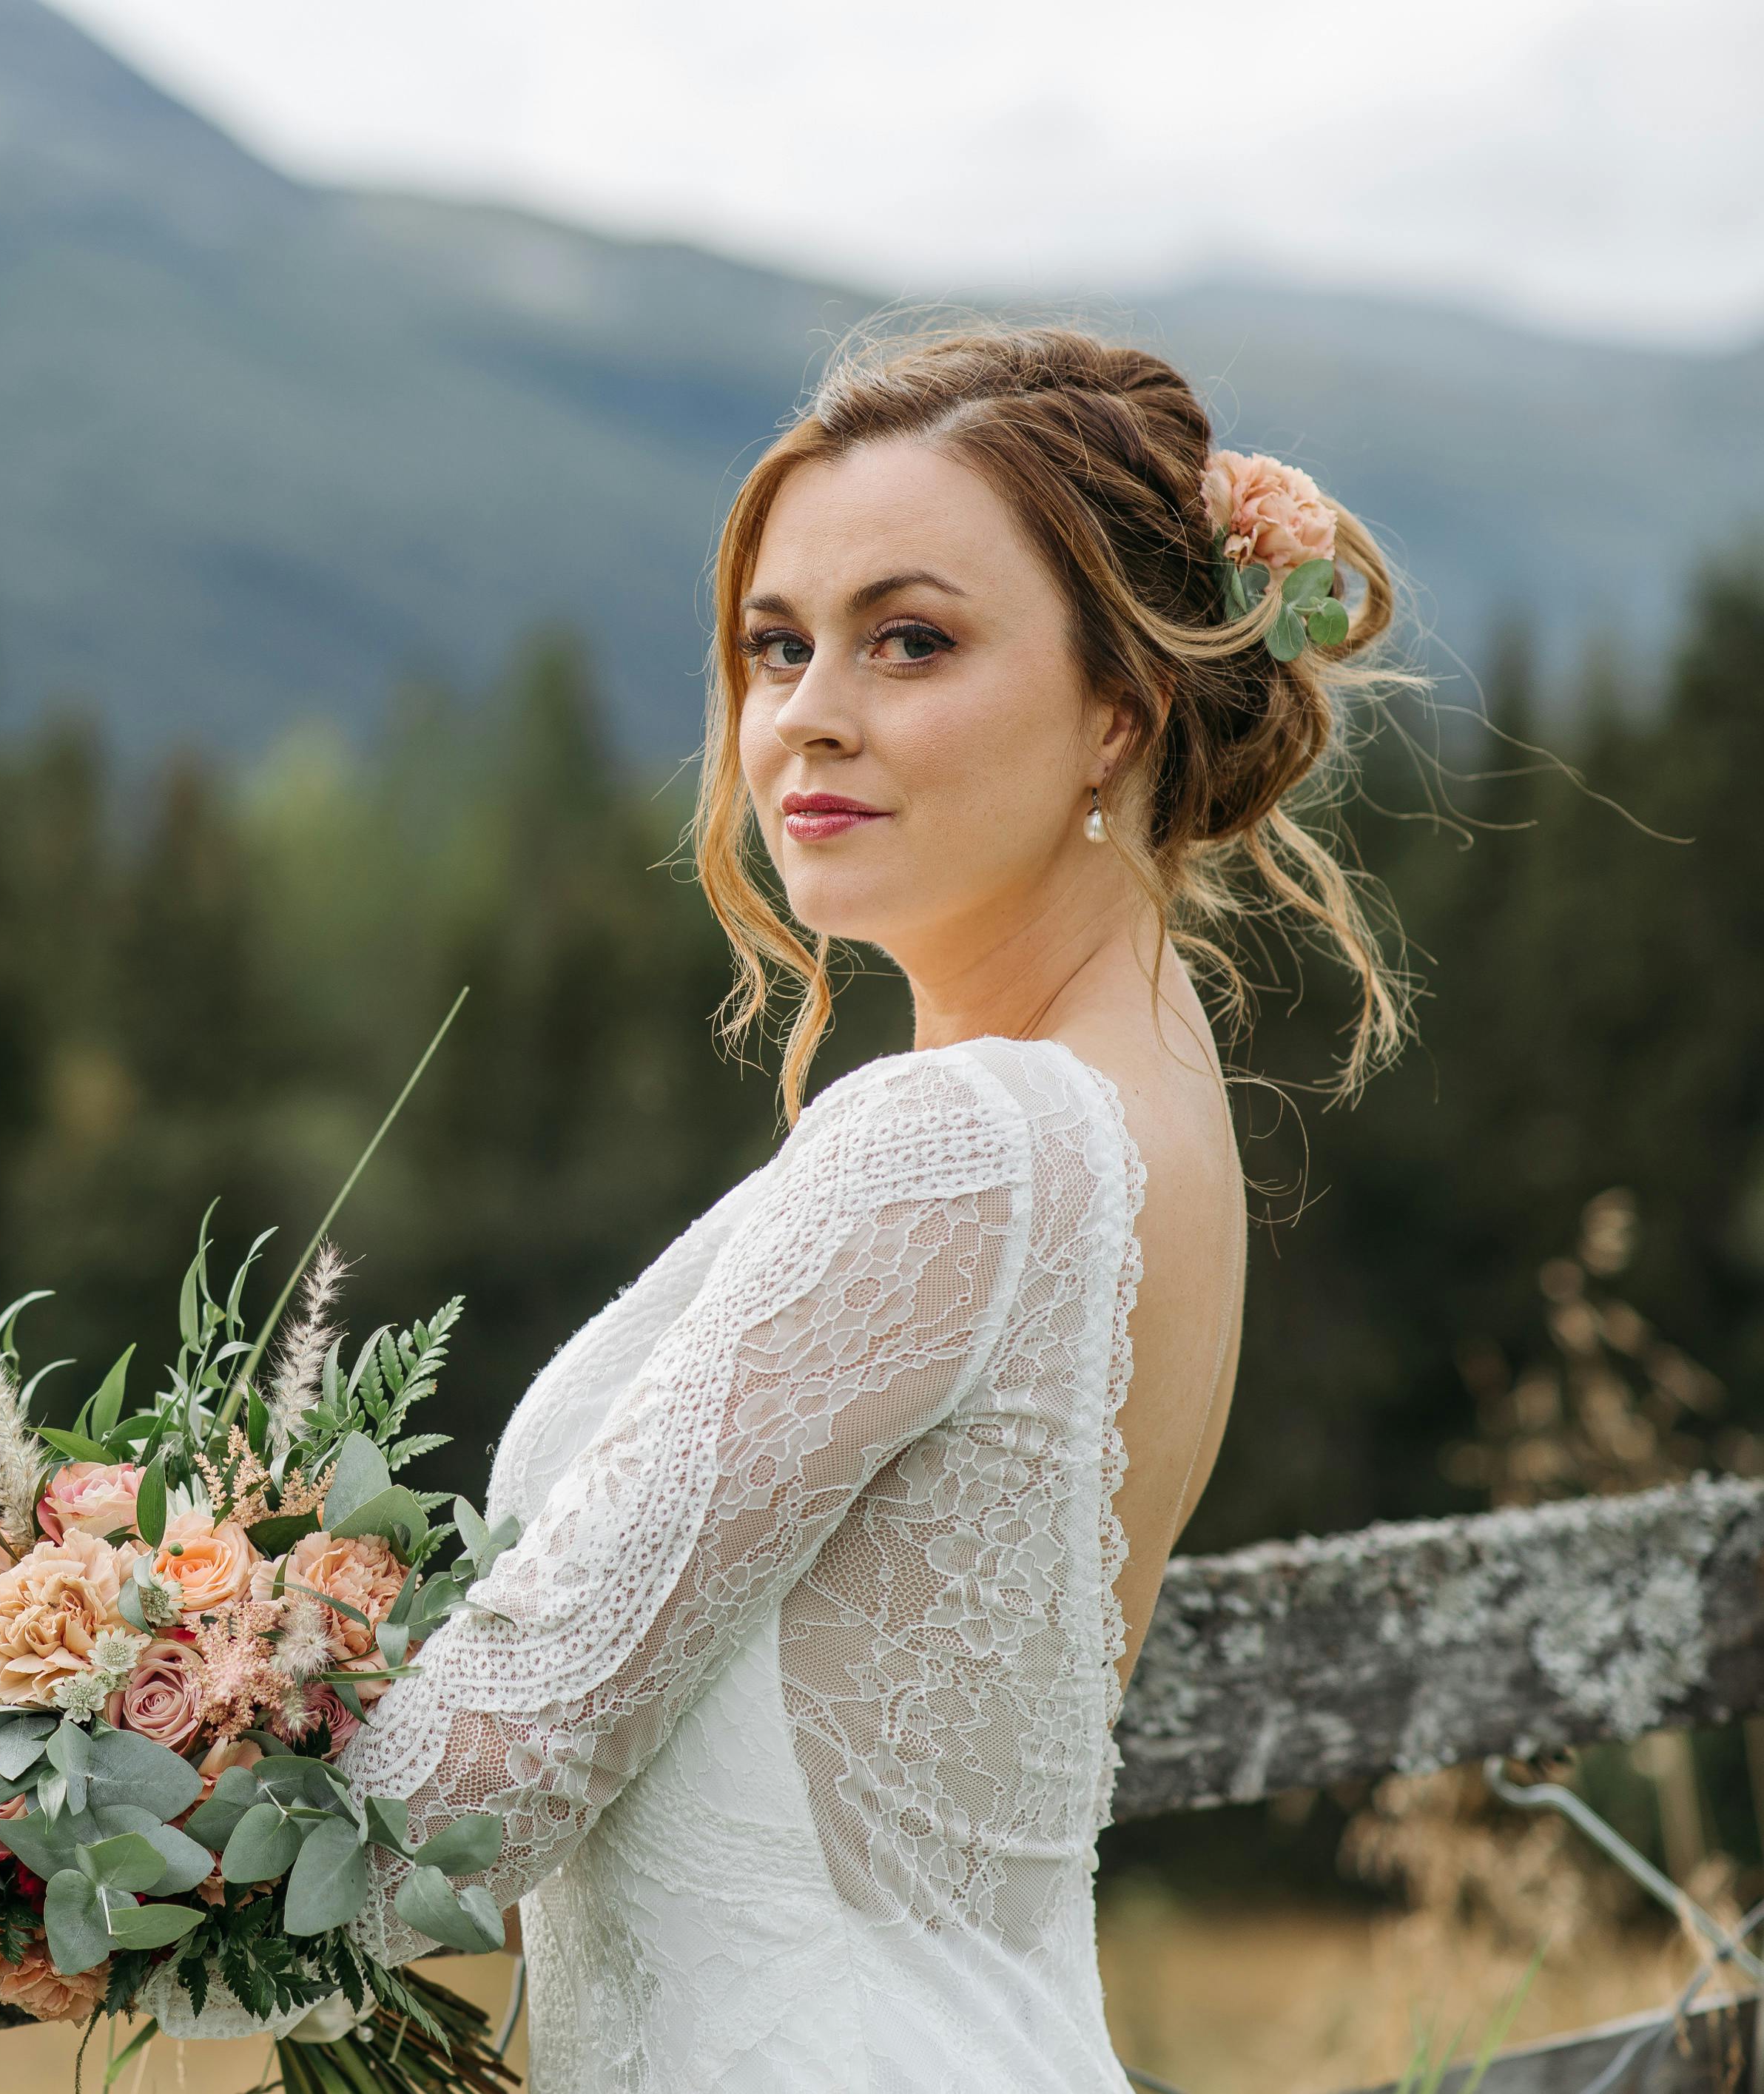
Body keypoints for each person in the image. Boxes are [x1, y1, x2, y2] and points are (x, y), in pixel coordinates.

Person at [336, 324, 1406, 2088]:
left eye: (910, 639)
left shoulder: (961, 1139)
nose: (806, 711)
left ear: (1118, 705)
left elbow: (472, 1791)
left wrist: (13, 1790)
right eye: (776, 645)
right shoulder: (1142, 1103)